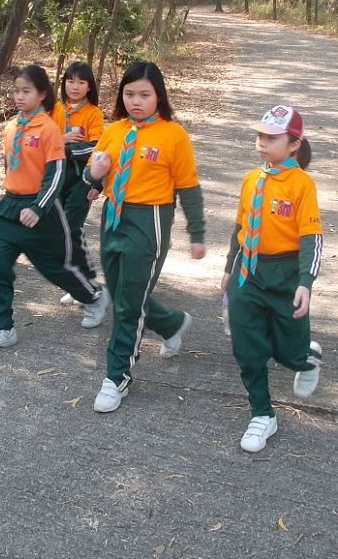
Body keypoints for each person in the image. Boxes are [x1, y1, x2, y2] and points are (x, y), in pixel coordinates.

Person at [84, 61, 206, 413]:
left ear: (159, 96)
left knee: (128, 304)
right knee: (125, 295)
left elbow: (188, 188)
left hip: (149, 221)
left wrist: (196, 234)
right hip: (113, 218)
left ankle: (117, 377)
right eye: (129, 94)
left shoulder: (173, 135)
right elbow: (93, 175)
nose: (136, 101)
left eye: (144, 95)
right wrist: (95, 176)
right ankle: (172, 323)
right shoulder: (115, 130)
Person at [0, 64, 110, 353]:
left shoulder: (48, 129)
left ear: (42, 94)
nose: (19, 97)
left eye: (27, 91)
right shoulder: (11, 127)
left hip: (41, 209)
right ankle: (2, 328)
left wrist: (38, 208)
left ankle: (94, 296)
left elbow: (56, 175)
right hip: (10, 205)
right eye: (16, 91)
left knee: (55, 267)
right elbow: (10, 167)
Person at [221, 105, 323, 453]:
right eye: (260, 136)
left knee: (287, 350)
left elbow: (311, 237)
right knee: (247, 347)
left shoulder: (301, 184)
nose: (262, 143)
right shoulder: (251, 179)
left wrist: (306, 282)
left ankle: (306, 358)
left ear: (294, 144)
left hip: (285, 273)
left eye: (271, 138)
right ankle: (262, 414)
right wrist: (228, 267)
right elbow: (240, 226)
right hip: (247, 271)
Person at [49, 61, 106, 319]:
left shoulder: (94, 113)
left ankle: (89, 288)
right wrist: (60, 142)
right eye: (70, 81)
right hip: (56, 177)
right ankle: (80, 284)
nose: (75, 86)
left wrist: (96, 181)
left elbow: (97, 146)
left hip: (82, 178)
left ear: (89, 86)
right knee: (60, 231)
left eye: (81, 82)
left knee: (71, 229)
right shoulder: (55, 109)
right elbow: (43, 141)